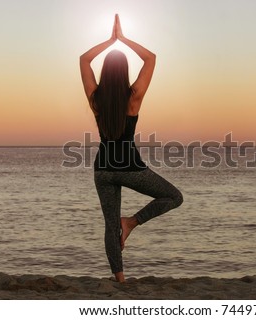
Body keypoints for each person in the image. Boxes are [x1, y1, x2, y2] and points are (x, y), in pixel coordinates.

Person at [80, 14, 183, 283]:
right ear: (125, 73)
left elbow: (84, 60)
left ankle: (120, 280)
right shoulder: (134, 96)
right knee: (174, 197)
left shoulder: (95, 99)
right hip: (130, 167)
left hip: (103, 169)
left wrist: (109, 41)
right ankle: (132, 222)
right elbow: (150, 58)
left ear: (105, 73)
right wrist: (123, 39)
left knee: (109, 225)